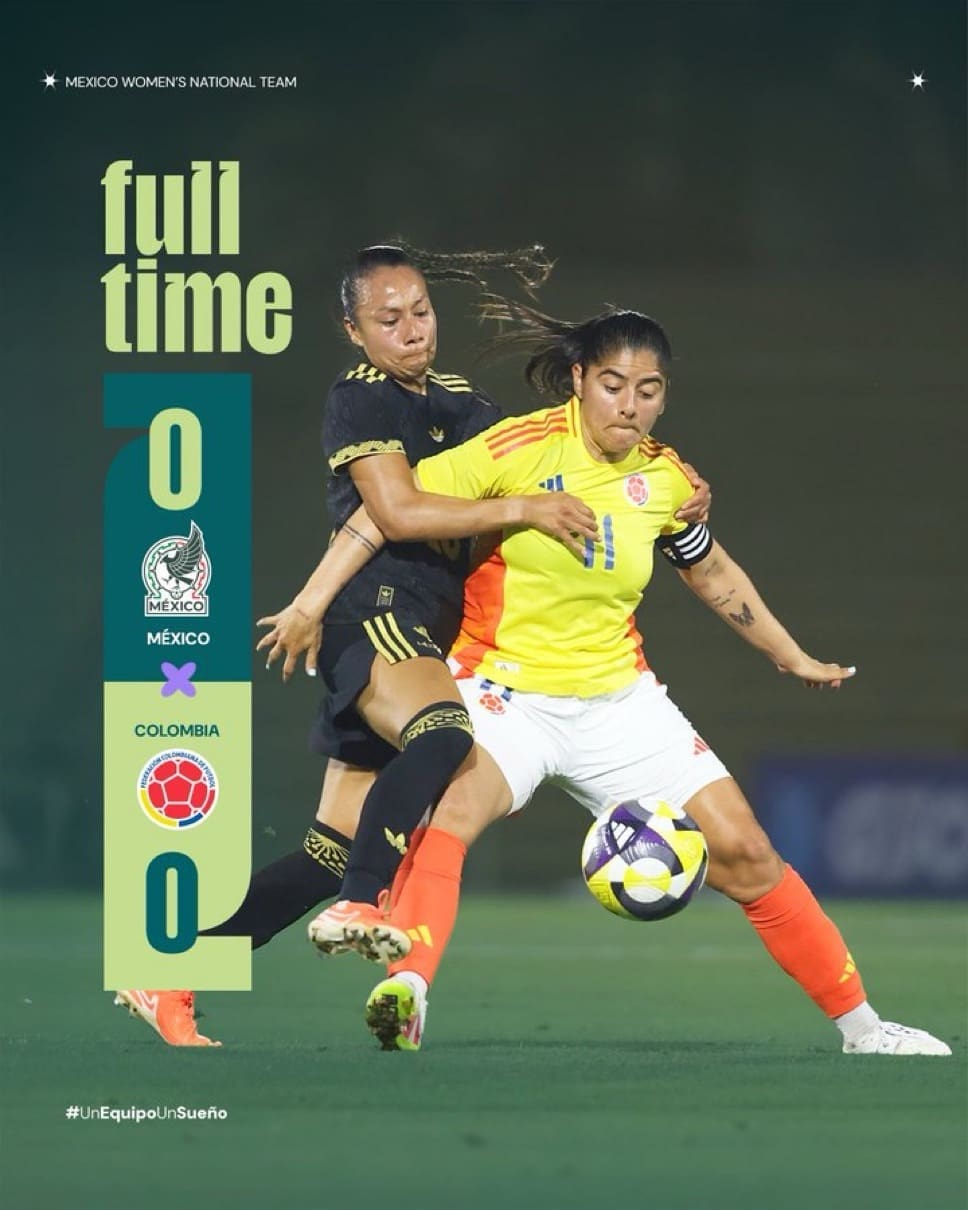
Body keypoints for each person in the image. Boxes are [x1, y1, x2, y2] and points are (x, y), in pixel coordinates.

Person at [299, 300, 950, 1059]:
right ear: (578, 380)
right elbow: (390, 509)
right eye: (613, 385)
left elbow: (707, 567)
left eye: (648, 390)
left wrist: (788, 653)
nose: (629, 405)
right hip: (505, 692)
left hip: (620, 703)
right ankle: (406, 991)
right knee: (451, 821)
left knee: (749, 855)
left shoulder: (665, 479)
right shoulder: (514, 448)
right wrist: (315, 606)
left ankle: (864, 1030)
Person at [112, 243, 715, 1046]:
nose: (410, 331)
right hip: (380, 613)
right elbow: (390, 514)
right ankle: (363, 902)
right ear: (354, 330)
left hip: (417, 625)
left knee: (326, 849)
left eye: (421, 312)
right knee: (445, 732)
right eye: (387, 319)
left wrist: (670, 473)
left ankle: (169, 977)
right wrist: (316, 599)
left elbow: (544, 451)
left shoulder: (460, 401)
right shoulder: (360, 397)